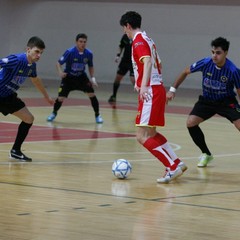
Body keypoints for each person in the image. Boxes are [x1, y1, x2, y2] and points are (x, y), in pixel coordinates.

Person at [119, 11, 187, 183]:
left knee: (141, 136)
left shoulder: (138, 40)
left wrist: (143, 85)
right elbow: (158, 63)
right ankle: (176, 162)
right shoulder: (148, 38)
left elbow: (148, 61)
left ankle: (171, 167)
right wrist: (142, 80)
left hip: (150, 90)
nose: (124, 32)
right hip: (156, 88)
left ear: (128, 25)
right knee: (151, 132)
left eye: (124, 29)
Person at [166, 37, 240, 167]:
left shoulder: (233, 70)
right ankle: (206, 153)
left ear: (226, 53)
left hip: (226, 102)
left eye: (218, 53)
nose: (214, 56)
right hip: (207, 101)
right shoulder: (206, 63)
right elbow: (185, 71)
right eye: (213, 52)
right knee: (190, 122)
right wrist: (172, 90)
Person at [0, 36, 54, 161]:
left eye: (41, 53)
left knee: (28, 118)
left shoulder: (31, 66)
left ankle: (15, 151)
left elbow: (36, 80)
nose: (39, 55)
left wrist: (46, 96)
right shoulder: (16, 59)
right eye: (37, 51)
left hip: (8, 96)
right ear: (28, 49)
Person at [46, 33, 103, 124]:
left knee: (92, 94)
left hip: (81, 77)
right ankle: (54, 113)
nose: (83, 43)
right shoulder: (70, 52)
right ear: (76, 42)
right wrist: (60, 72)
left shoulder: (88, 53)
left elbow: (91, 66)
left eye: (84, 42)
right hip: (69, 78)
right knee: (60, 98)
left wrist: (92, 78)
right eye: (80, 41)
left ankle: (97, 115)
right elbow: (58, 63)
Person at [108, 34, 135, 103]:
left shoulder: (137, 36)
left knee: (133, 80)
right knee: (117, 78)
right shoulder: (125, 36)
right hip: (124, 61)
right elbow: (121, 46)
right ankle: (114, 96)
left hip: (134, 62)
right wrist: (118, 56)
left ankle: (144, 98)